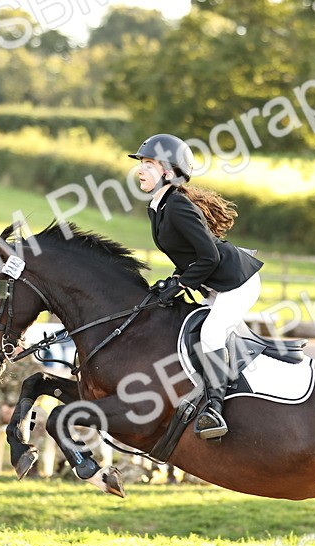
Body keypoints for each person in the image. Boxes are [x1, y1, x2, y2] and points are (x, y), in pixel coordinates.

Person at [127, 133, 264, 440]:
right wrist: (173, 279)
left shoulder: (176, 206)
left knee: (211, 333)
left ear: (167, 170)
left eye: (148, 164)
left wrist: (180, 283)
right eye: (142, 164)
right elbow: (186, 253)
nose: (140, 170)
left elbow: (210, 255)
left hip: (236, 283)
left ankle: (214, 408)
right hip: (216, 283)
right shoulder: (157, 207)